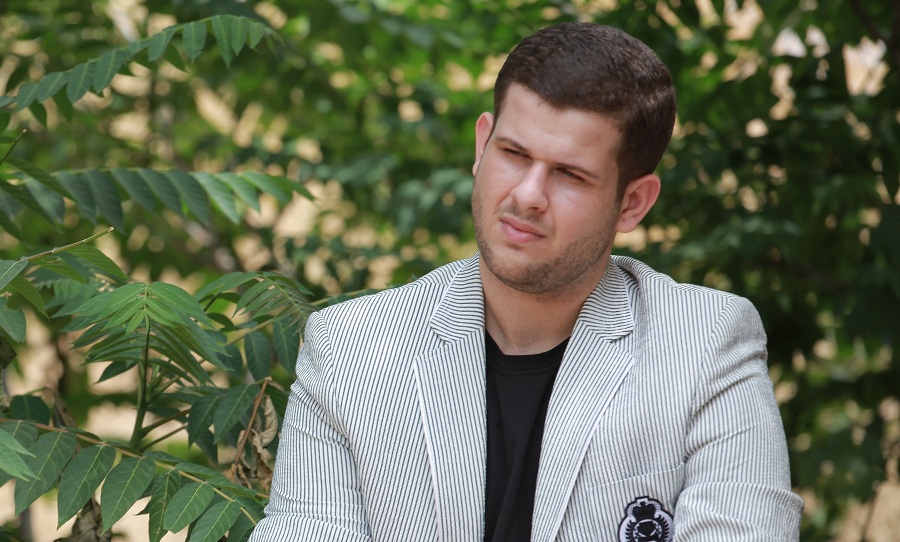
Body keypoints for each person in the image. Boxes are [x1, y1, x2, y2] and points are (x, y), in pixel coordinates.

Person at [250, 22, 803, 542]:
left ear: (633, 203)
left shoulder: (706, 344)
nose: (528, 195)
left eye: (569, 174)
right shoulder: (350, 350)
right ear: (482, 146)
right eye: (514, 154)